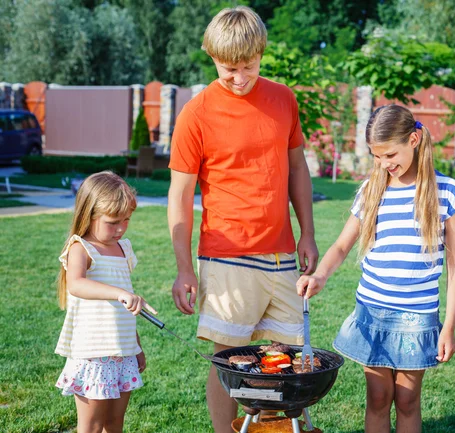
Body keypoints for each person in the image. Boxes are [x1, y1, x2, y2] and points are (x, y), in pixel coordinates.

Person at [167, 6, 318, 431]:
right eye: (228, 68)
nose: (238, 77)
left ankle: (271, 429)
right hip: (227, 255)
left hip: (282, 254)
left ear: (261, 55)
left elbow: (298, 169)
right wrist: (183, 269)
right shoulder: (196, 115)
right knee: (228, 360)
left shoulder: (283, 98)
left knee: (285, 359)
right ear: (211, 57)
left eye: (248, 67)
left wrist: (307, 233)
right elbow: (179, 196)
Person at [297, 104, 455, 433]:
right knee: (377, 396)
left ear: (414, 139)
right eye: (377, 157)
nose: (384, 164)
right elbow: (342, 245)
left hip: (418, 316)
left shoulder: (446, 191)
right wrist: (320, 275)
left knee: (407, 399)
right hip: (372, 311)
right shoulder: (373, 190)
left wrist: (449, 327)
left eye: (390, 154)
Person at [55, 171, 157, 433]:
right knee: (91, 425)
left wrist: (136, 346)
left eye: (127, 220)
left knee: (114, 424)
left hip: (121, 351)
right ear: (89, 215)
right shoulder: (81, 247)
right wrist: (119, 293)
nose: (121, 228)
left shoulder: (123, 249)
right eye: (113, 222)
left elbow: (124, 309)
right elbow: (76, 284)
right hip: (93, 353)